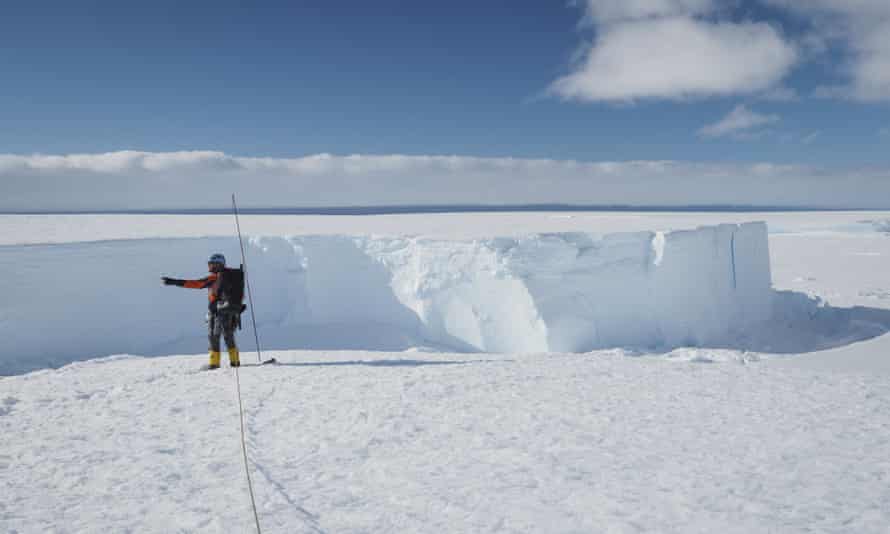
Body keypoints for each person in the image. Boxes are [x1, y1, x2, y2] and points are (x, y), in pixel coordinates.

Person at [162, 253, 242, 369]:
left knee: (214, 337)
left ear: (219, 265)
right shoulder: (228, 277)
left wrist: (174, 282)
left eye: (212, 264)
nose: (210, 266)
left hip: (218, 313)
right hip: (226, 312)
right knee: (227, 337)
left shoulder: (214, 278)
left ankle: (214, 364)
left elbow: (195, 284)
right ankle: (235, 362)